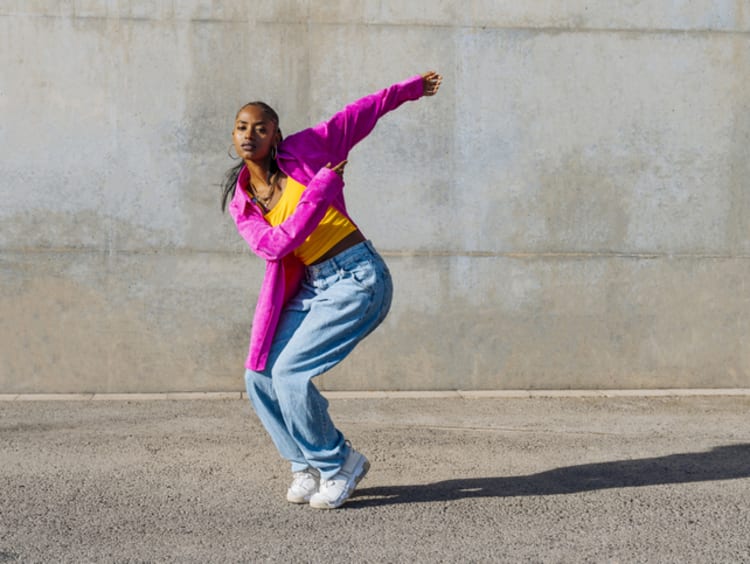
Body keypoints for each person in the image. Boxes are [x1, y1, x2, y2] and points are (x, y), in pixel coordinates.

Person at [220, 71, 442, 509]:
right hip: (314, 285)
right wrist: (321, 188)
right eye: (243, 127)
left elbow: (359, 113)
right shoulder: (242, 203)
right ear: (234, 136)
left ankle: (340, 461)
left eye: (261, 127)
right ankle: (303, 463)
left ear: (276, 135)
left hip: (359, 277)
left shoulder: (307, 148)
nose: (251, 134)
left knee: (290, 374)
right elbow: (275, 245)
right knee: (259, 374)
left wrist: (410, 90)